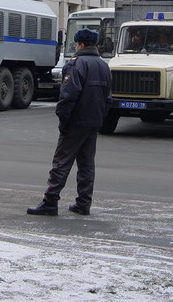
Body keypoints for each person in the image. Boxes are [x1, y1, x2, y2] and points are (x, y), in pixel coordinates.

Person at [27, 28, 112, 216]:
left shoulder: (76, 64)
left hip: (76, 121)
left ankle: (50, 202)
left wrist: (63, 120)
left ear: (80, 44)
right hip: (94, 121)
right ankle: (83, 203)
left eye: (75, 43)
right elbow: (108, 98)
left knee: (61, 163)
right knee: (87, 164)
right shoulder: (103, 65)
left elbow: (68, 96)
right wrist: (100, 118)